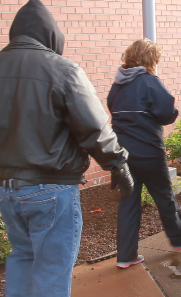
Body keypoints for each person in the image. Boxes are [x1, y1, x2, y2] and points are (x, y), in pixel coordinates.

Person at [0, 0, 134, 296]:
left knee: (23, 257)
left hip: (7, 190)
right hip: (51, 189)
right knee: (51, 270)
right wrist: (118, 164)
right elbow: (94, 127)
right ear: (51, 35)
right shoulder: (63, 69)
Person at [107, 38, 181, 269]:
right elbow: (166, 113)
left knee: (128, 202)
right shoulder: (150, 82)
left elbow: (112, 108)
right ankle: (180, 238)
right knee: (164, 196)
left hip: (124, 155)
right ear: (151, 59)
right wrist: (173, 110)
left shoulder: (117, 85)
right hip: (149, 151)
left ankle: (126, 256)